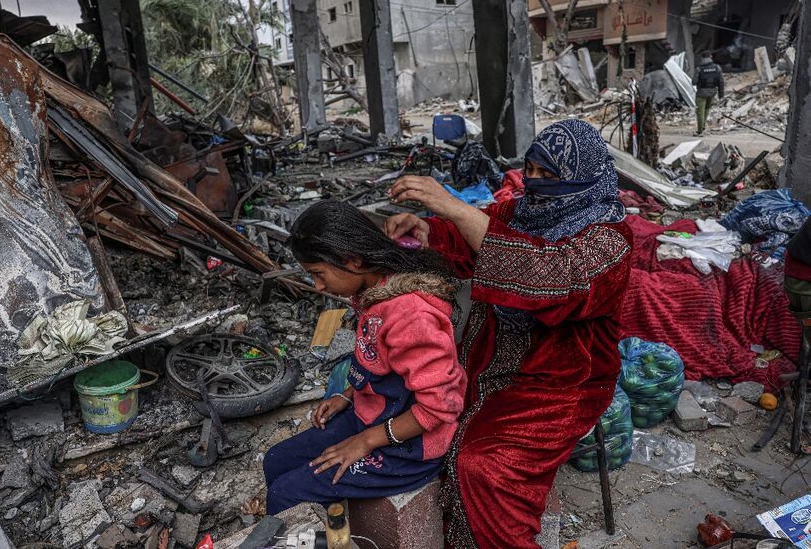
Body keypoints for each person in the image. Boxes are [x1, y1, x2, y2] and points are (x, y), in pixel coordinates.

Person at [385, 119, 633, 548]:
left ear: (583, 178)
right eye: (531, 170)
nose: (534, 183)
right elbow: (470, 239)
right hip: (489, 359)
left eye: (548, 175)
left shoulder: (609, 241)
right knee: (425, 421)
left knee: (483, 466)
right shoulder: (521, 211)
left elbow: (550, 274)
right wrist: (429, 230)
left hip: (563, 382)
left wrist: (454, 205)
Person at [263, 200, 467, 515]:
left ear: (354, 261)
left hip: (410, 448)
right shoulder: (374, 293)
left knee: (283, 494)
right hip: (374, 416)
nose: (318, 287)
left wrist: (365, 441)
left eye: (318, 274)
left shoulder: (410, 314)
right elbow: (380, 365)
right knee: (276, 461)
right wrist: (348, 395)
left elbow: (440, 407)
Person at [692, 50, 724, 136]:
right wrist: (721, 95)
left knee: (700, 112)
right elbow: (721, 82)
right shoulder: (717, 67)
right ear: (711, 57)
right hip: (712, 92)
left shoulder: (699, 69)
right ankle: (702, 127)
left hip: (701, 93)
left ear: (702, 58)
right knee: (707, 109)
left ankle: (700, 131)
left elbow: (694, 82)